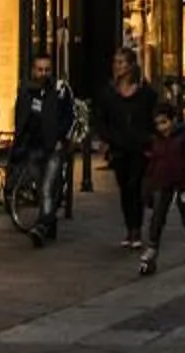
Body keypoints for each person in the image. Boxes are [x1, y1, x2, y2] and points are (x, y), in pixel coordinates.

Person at [8, 51, 78, 246]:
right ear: (33, 70)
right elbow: (21, 117)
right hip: (33, 146)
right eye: (39, 69)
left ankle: (41, 227)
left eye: (47, 69)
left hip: (53, 146)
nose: (43, 73)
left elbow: (70, 116)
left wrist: (62, 138)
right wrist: (19, 141)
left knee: (47, 187)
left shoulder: (60, 90)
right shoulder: (26, 90)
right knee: (40, 187)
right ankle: (50, 222)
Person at [92, 44, 158, 250]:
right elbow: (101, 118)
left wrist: (152, 140)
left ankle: (136, 229)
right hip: (119, 147)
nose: (116, 66)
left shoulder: (144, 93)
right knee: (124, 189)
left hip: (140, 147)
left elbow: (154, 116)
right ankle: (130, 228)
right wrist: (105, 138)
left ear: (130, 66)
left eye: (121, 62)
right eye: (115, 62)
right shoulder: (109, 93)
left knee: (136, 187)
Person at [138, 98, 185, 277]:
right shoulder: (156, 141)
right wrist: (148, 184)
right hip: (162, 184)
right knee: (158, 217)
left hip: (182, 183)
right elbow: (152, 163)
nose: (162, 127)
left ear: (172, 120)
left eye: (164, 122)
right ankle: (152, 248)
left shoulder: (182, 137)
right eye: (158, 124)